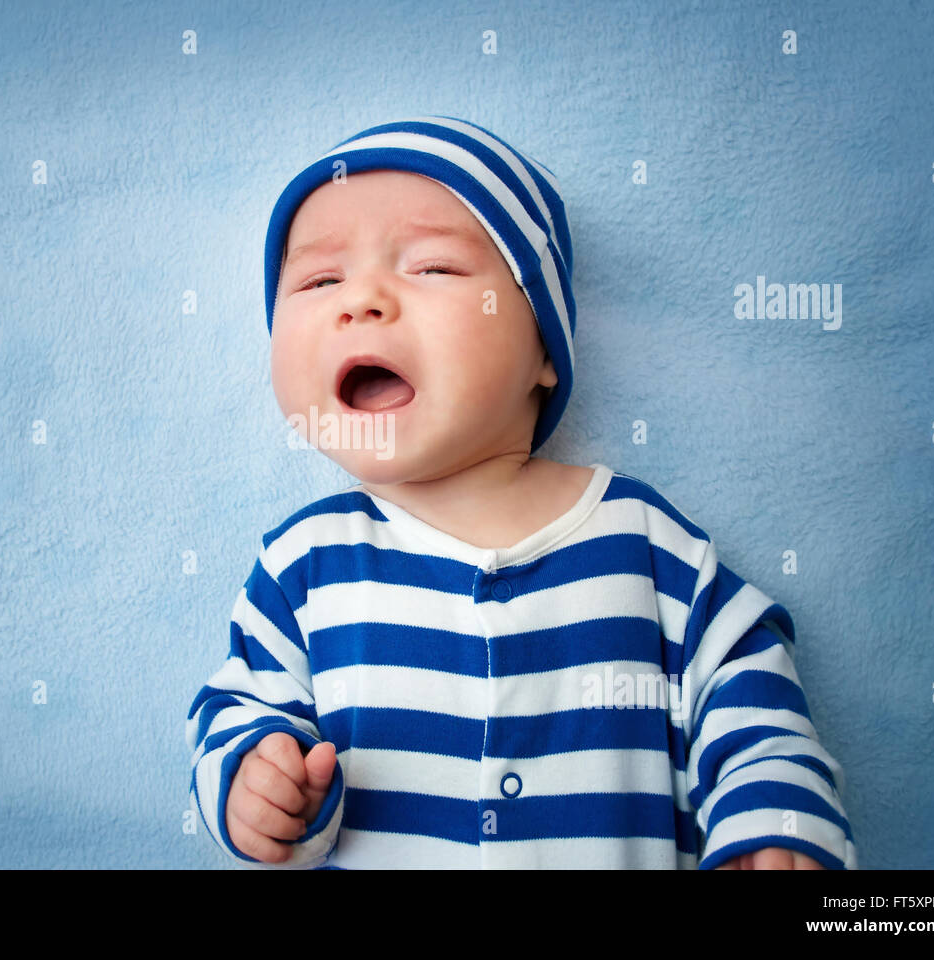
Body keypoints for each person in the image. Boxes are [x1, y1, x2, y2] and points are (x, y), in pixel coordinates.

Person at [185, 116, 855, 869]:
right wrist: (259, 781)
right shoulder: (302, 566)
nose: (362, 301)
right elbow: (236, 711)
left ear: (543, 344)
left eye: (432, 268)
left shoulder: (642, 544)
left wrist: (772, 825)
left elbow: (750, 691)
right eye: (318, 280)